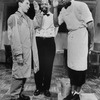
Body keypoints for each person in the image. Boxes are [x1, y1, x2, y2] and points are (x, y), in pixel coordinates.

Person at [53, 0, 95, 100]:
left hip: (81, 37)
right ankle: (72, 93)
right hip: (71, 37)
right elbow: (56, 24)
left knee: (80, 68)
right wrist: (55, 8)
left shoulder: (81, 5)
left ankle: (77, 93)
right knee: (72, 67)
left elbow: (91, 25)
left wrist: (92, 43)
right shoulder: (63, 10)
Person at [7, 0, 42, 100]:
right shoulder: (14, 18)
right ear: (19, 3)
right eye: (26, 3)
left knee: (23, 76)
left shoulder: (27, 19)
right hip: (20, 53)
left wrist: (37, 11)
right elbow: (14, 37)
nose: (28, 6)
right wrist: (18, 54)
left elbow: (38, 24)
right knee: (18, 76)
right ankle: (14, 96)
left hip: (27, 53)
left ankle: (19, 94)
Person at [33, 0, 58, 97]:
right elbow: (34, 26)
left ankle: (46, 88)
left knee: (48, 67)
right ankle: (38, 87)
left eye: (46, 4)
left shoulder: (53, 16)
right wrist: (37, 13)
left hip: (49, 42)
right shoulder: (36, 15)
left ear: (49, 5)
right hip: (38, 42)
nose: (43, 5)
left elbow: (56, 28)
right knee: (38, 66)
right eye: (42, 4)